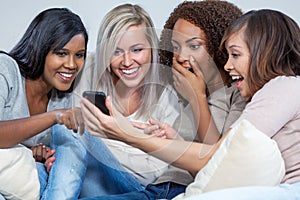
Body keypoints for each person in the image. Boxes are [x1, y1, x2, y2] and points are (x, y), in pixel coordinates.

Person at [81, 8, 300, 200]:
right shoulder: (251, 94)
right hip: (167, 187)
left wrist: (128, 134)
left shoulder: (282, 86)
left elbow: (218, 157)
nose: (227, 65)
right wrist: (176, 139)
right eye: (175, 46)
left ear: (265, 53)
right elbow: (220, 162)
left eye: (235, 55)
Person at [46, 3, 183, 199]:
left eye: (137, 50)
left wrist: (103, 140)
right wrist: (62, 158)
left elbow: (154, 172)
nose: (127, 62)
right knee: (63, 136)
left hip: (135, 186)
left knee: (75, 130)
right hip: (90, 180)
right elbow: (59, 122)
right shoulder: (89, 69)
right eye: (116, 52)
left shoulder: (166, 94)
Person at [0, 7, 88, 199]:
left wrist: (37, 154)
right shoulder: (5, 69)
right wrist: (54, 118)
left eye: (79, 55)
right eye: (61, 53)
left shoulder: (62, 98)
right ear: (40, 49)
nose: (72, 65)